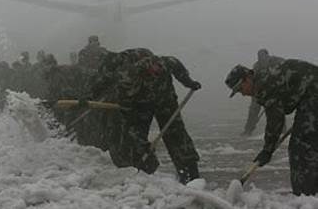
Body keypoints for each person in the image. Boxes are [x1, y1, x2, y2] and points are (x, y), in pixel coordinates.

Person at [90, 48, 202, 184]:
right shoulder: (128, 76)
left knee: (177, 134)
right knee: (135, 134)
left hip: (166, 101)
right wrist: (141, 142)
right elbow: (125, 105)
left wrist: (189, 82)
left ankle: (189, 173)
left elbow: (179, 70)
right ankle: (143, 170)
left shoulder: (167, 62)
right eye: (151, 74)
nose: (155, 75)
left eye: (158, 73)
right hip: (140, 104)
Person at [225, 59, 318, 195]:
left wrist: (267, 150)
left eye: (240, 89)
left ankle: (306, 195)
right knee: (307, 142)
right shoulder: (264, 78)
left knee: (301, 147)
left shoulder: (265, 84)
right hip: (309, 97)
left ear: (247, 79)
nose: (243, 94)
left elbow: (275, 120)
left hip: (313, 96)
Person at [241, 49, 284, 136]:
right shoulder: (256, 66)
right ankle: (248, 130)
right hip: (258, 90)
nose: (262, 59)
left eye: (263, 56)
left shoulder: (277, 61)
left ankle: (282, 130)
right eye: (259, 57)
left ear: (267, 55)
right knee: (253, 110)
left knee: (277, 110)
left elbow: (285, 71)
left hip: (275, 90)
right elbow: (253, 79)